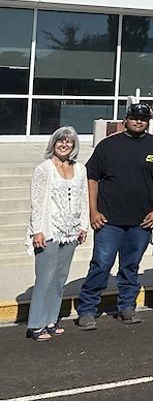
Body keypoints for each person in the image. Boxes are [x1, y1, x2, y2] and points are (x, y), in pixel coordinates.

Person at [77, 103, 153, 330]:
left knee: (130, 266)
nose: (139, 121)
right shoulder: (108, 146)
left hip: (142, 221)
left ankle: (127, 306)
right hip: (109, 220)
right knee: (101, 264)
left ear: (148, 121)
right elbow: (92, 178)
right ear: (126, 119)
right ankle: (87, 309)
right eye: (134, 117)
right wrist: (93, 211)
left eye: (143, 118)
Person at [26, 127, 89, 341]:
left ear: (74, 145)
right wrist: (38, 231)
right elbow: (37, 202)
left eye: (69, 142)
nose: (64, 145)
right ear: (53, 143)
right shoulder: (44, 168)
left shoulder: (79, 169)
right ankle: (36, 324)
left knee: (60, 278)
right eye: (60, 141)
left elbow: (83, 197)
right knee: (46, 277)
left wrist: (83, 225)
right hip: (49, 230)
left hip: (70, 230)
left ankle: (51, 320)